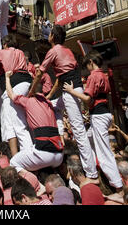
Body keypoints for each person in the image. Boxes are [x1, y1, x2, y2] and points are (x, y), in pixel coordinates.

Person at [33, 25, 98, 180]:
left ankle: (91, 173)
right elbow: (59, 80)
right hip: (71, 90)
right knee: (53, 105)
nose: (47, 36)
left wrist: (31, 92)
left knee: (79, 132)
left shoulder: (53, 51)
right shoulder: (67, 50)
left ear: (53, 37)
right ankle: (60, 133)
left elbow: (39, 73)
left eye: (49, 34)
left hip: (71, 91)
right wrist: (48, 97)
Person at [63, 50, 123, 192]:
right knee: (88, 139)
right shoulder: (104, 75)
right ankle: (95, 171)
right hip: (104, 114)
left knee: (104, 153)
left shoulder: (93, 76)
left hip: (98, 115)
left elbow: (88, 98)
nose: (87, 69)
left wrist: (71, 91)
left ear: (91, 63)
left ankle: (118, 186)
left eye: (87, 65)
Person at [0, 36, 32, 156]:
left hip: (16, 84)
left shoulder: (3, 52)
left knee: (17, 124)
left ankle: (27, 155)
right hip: (27, 83)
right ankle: (16, 156)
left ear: (5, 44)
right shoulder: (20, 52)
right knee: (17, 121)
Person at [6, 70, 64, 173]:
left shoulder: (28, 101)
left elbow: (11, 94)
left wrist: (7, 78)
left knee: (14, 162)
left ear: (30, 92)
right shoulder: (48, 103)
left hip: (43, 153)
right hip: (59, 156)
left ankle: (36, 184)